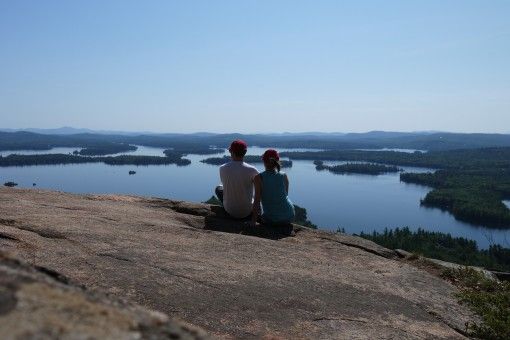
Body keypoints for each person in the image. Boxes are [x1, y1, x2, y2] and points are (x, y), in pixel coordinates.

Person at [215, 140, 259, 219]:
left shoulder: (222, 168)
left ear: (231, 152)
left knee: (218, 188)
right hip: (247, 211)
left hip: (229, 210)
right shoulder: (253, 170)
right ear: (245, 152)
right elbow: (260, 190)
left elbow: (225, 186)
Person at [252, 149, 295, 225]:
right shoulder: (284, 175)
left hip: (272, 218)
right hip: (289, 215)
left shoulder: (258, 178)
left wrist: (253, 222)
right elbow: (285, 196)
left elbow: (256, 202)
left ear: (264, 161)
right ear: (277, 161)